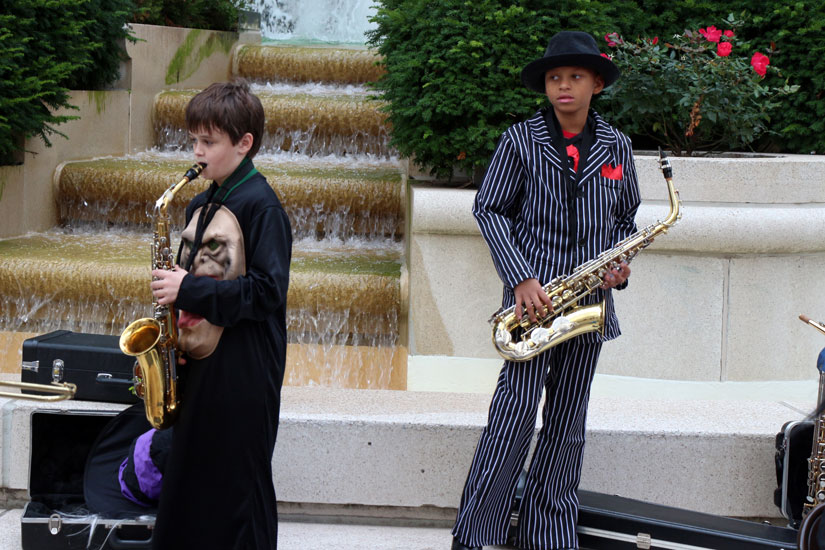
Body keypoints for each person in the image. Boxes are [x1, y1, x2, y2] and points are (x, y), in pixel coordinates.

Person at [451, 31, 641, 550]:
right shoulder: (519, 140)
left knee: (567, 426)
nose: (564, 86)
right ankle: (476, 535)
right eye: (555, 78)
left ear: (596, 84)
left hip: (588, 305)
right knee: (511, 420)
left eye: (575, 77)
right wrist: (520, 277)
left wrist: (621, 266)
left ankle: (549, 535)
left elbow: (626, 219)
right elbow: (488, 208)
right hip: (533, 305)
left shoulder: (618, 146)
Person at [149, 79, 292, 550]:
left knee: (238, 492)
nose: (197, 151)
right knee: (193, 484)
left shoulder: (263, 206)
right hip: (204, 363)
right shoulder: (200, 200)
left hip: (244, 369)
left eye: (208, 141)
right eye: (194, 140)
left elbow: (267, 292)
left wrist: (187, 287)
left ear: (244, 143)